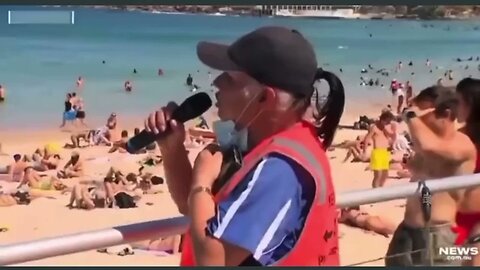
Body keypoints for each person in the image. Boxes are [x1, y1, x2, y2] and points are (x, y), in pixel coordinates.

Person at [143, 26, 344, 266]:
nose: (216, 81)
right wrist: (172, 148)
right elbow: (197, 210)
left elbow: (212, 259)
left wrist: (202, 180)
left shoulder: (280, 168)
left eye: (230, 78)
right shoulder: (270, 140)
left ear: (265, 98)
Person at [385, 86, 477, 266]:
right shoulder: (425, 146)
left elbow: (428, 146)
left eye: (423, 114)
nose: (419, 122)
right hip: (407, 230)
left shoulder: (462, 144)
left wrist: (411, 115)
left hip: (439, 236)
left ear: (447, 113)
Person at [453, 78, 480, 266]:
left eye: (457, 101)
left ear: (469, 103)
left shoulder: (459, 139)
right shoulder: (458, 137)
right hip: (457, 219)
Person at [363, 110, 396, 188]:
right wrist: (364, 151)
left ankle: (380, 189)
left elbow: (392, 137)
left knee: (385, 174)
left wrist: (393, 131)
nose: (388, 123)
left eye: (389, 122)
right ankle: (375, 191)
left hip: (385, 152)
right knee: (378, 174)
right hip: (377, 152)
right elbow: (367, 139)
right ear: (382, 120)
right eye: (387, 121)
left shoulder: (385, 128)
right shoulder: (374, 128)